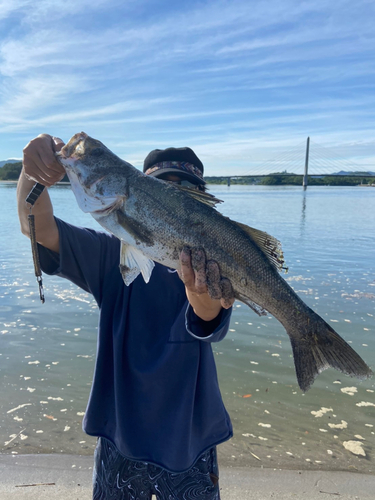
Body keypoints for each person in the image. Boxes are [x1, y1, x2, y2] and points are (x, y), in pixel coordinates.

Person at [17, 134, 235, 500]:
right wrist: (32, 175)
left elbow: (209, 320)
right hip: (119, 433)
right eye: (162, 187)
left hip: (190, 437)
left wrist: (200, 295)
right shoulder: (107, 255)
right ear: (140, 192)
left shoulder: (211, 265)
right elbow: (37, 227)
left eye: (187, 190)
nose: (174, 195)